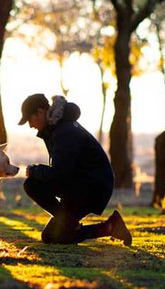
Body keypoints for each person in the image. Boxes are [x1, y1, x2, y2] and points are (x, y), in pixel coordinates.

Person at [18, 93, 132, 246]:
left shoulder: (63, 131)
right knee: (52, 236)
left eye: (30, 120)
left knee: (32, 184)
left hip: (92, 187)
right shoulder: (58, 128)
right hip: (83, 184)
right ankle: (110, 227)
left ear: (40, 112)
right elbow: (63, 171)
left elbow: (59, 175)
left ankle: (71, 224)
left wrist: (35, 171)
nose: (31, 125)